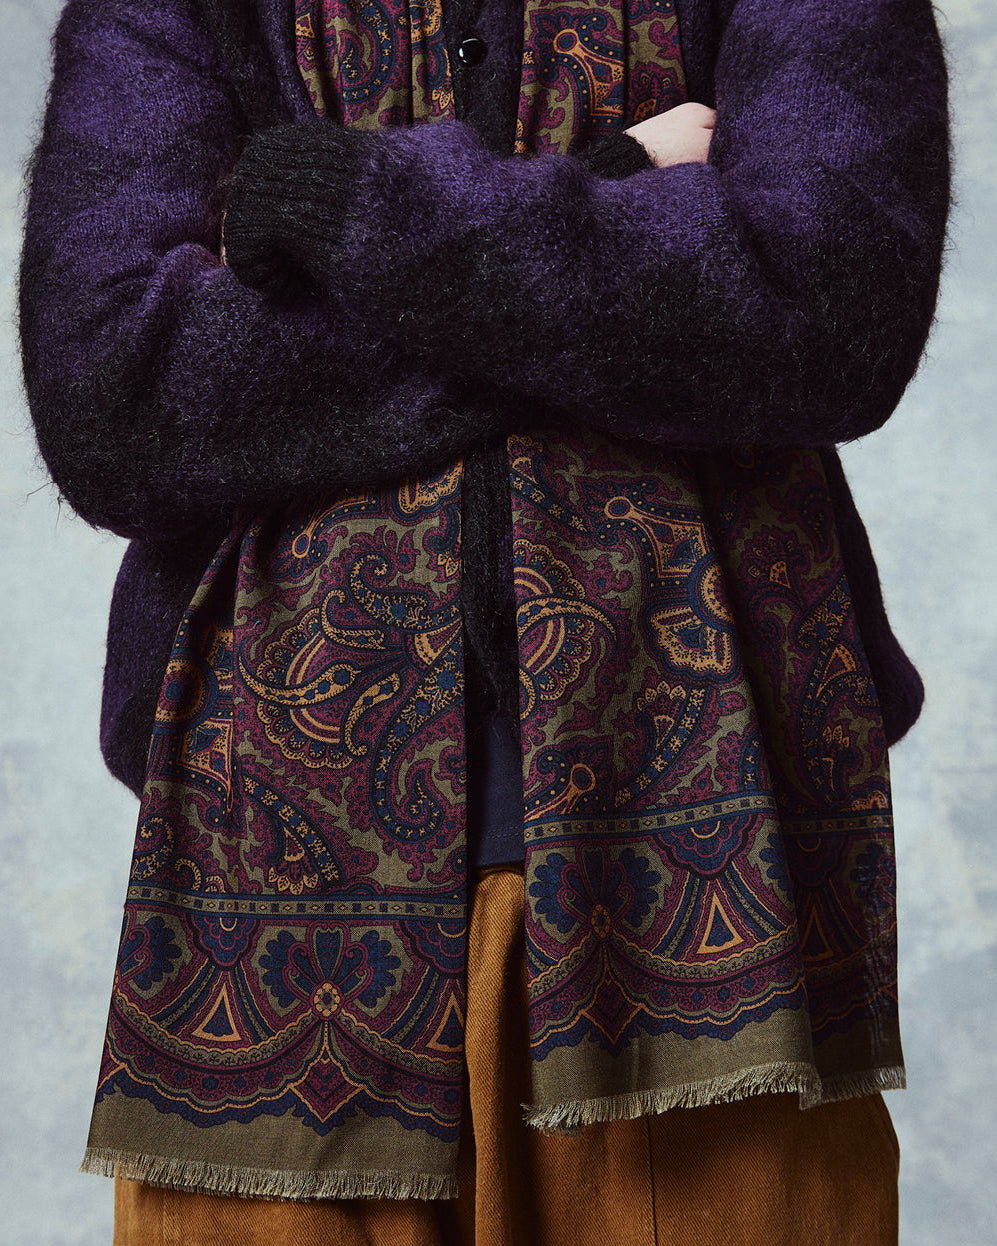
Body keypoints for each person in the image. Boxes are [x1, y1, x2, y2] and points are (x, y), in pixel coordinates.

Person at [20, 0, 949, 1242]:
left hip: (715, 892)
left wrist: (353, 215)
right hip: (270, 888)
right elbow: (115, 393)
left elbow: (825, 303)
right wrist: (615, 186)